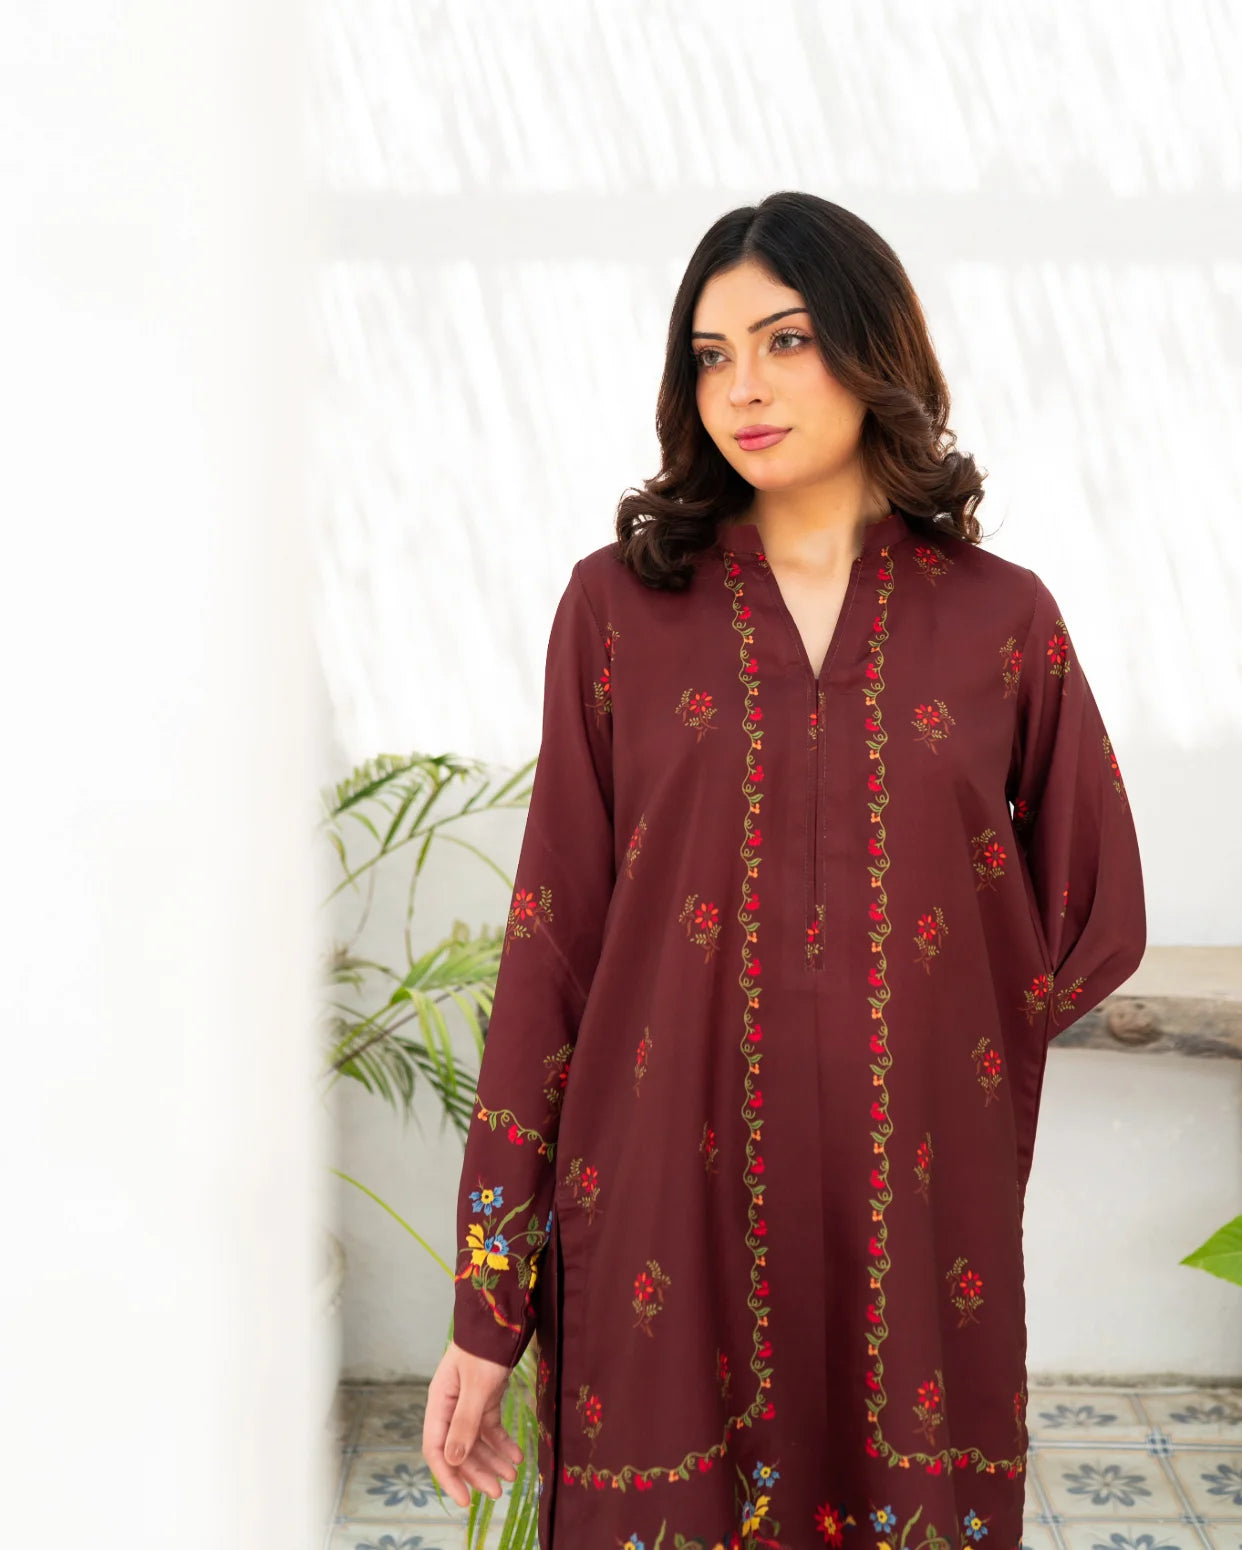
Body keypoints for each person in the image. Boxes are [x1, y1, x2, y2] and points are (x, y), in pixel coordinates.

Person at [422, 191, 1147, 1550]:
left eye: (783, 340)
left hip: (911, 1225)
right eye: (709, 353)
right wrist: (487, 1303)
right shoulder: (615, 609)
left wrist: (929, 1035)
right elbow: (551, 944)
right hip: (657, 1212)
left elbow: (1090, 905)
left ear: (872, 348)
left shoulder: (999, 618)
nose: (740, 387)